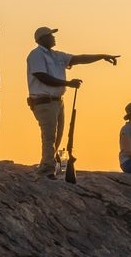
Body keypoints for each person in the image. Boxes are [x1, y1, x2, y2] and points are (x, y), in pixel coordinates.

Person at [26, 26, 118, 176]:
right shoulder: (36, 55)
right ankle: (47, 168)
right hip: (44, 101)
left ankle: (48, 164)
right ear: (42, 39)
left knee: (58, 135)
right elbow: (42, 76)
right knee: (49, 135)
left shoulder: (56, 55)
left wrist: (101, 56)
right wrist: (68, 83)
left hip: (57, 101)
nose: (53, 37)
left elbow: (78, 58)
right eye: (50, 35)